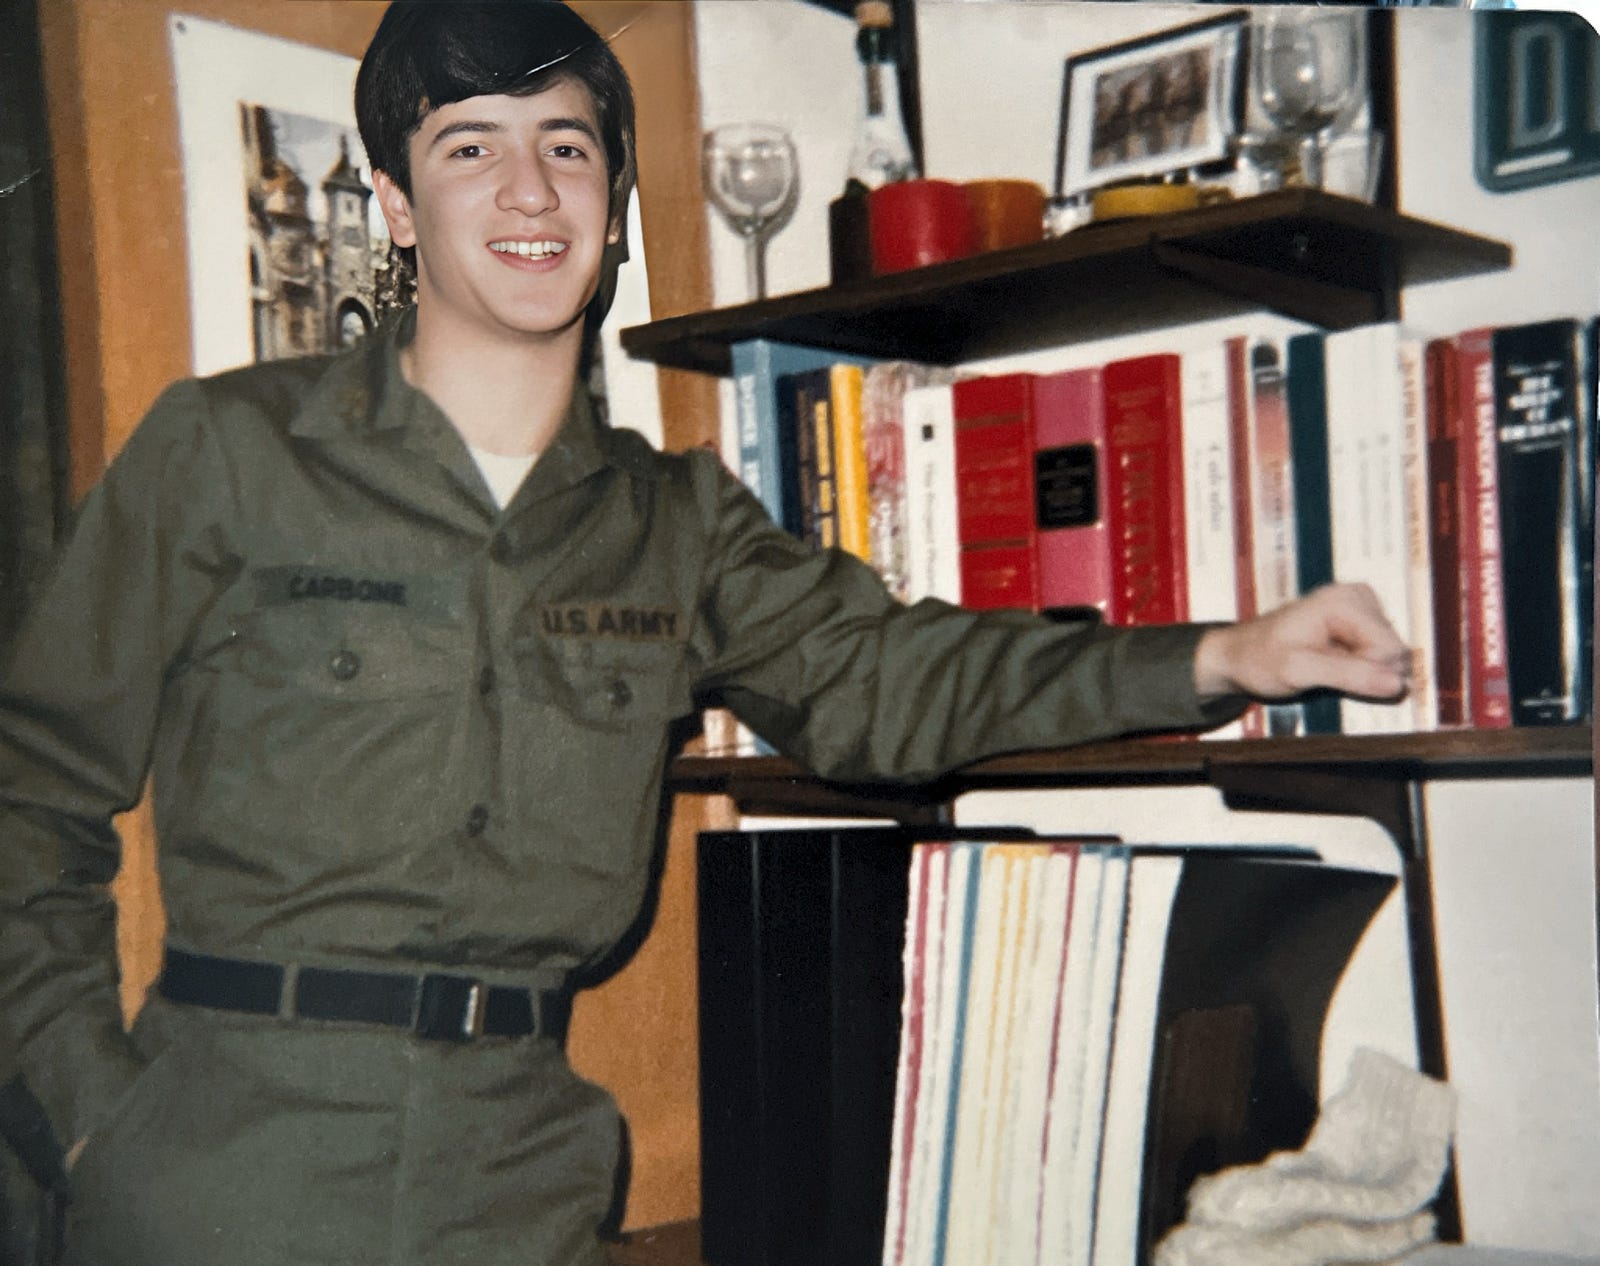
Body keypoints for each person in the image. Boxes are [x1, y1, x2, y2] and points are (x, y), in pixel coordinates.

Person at [0, 2, 1410, 1263]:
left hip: (523, 1181)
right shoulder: (226, 453)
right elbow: (27, 786)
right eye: (469, 147)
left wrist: (1223, 655)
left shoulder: (674, 519)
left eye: (566, 147)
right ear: (395, 202)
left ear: (612, 203)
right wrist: (85, 1118)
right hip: (219, 1171)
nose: (529, 187)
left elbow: (891, 678)